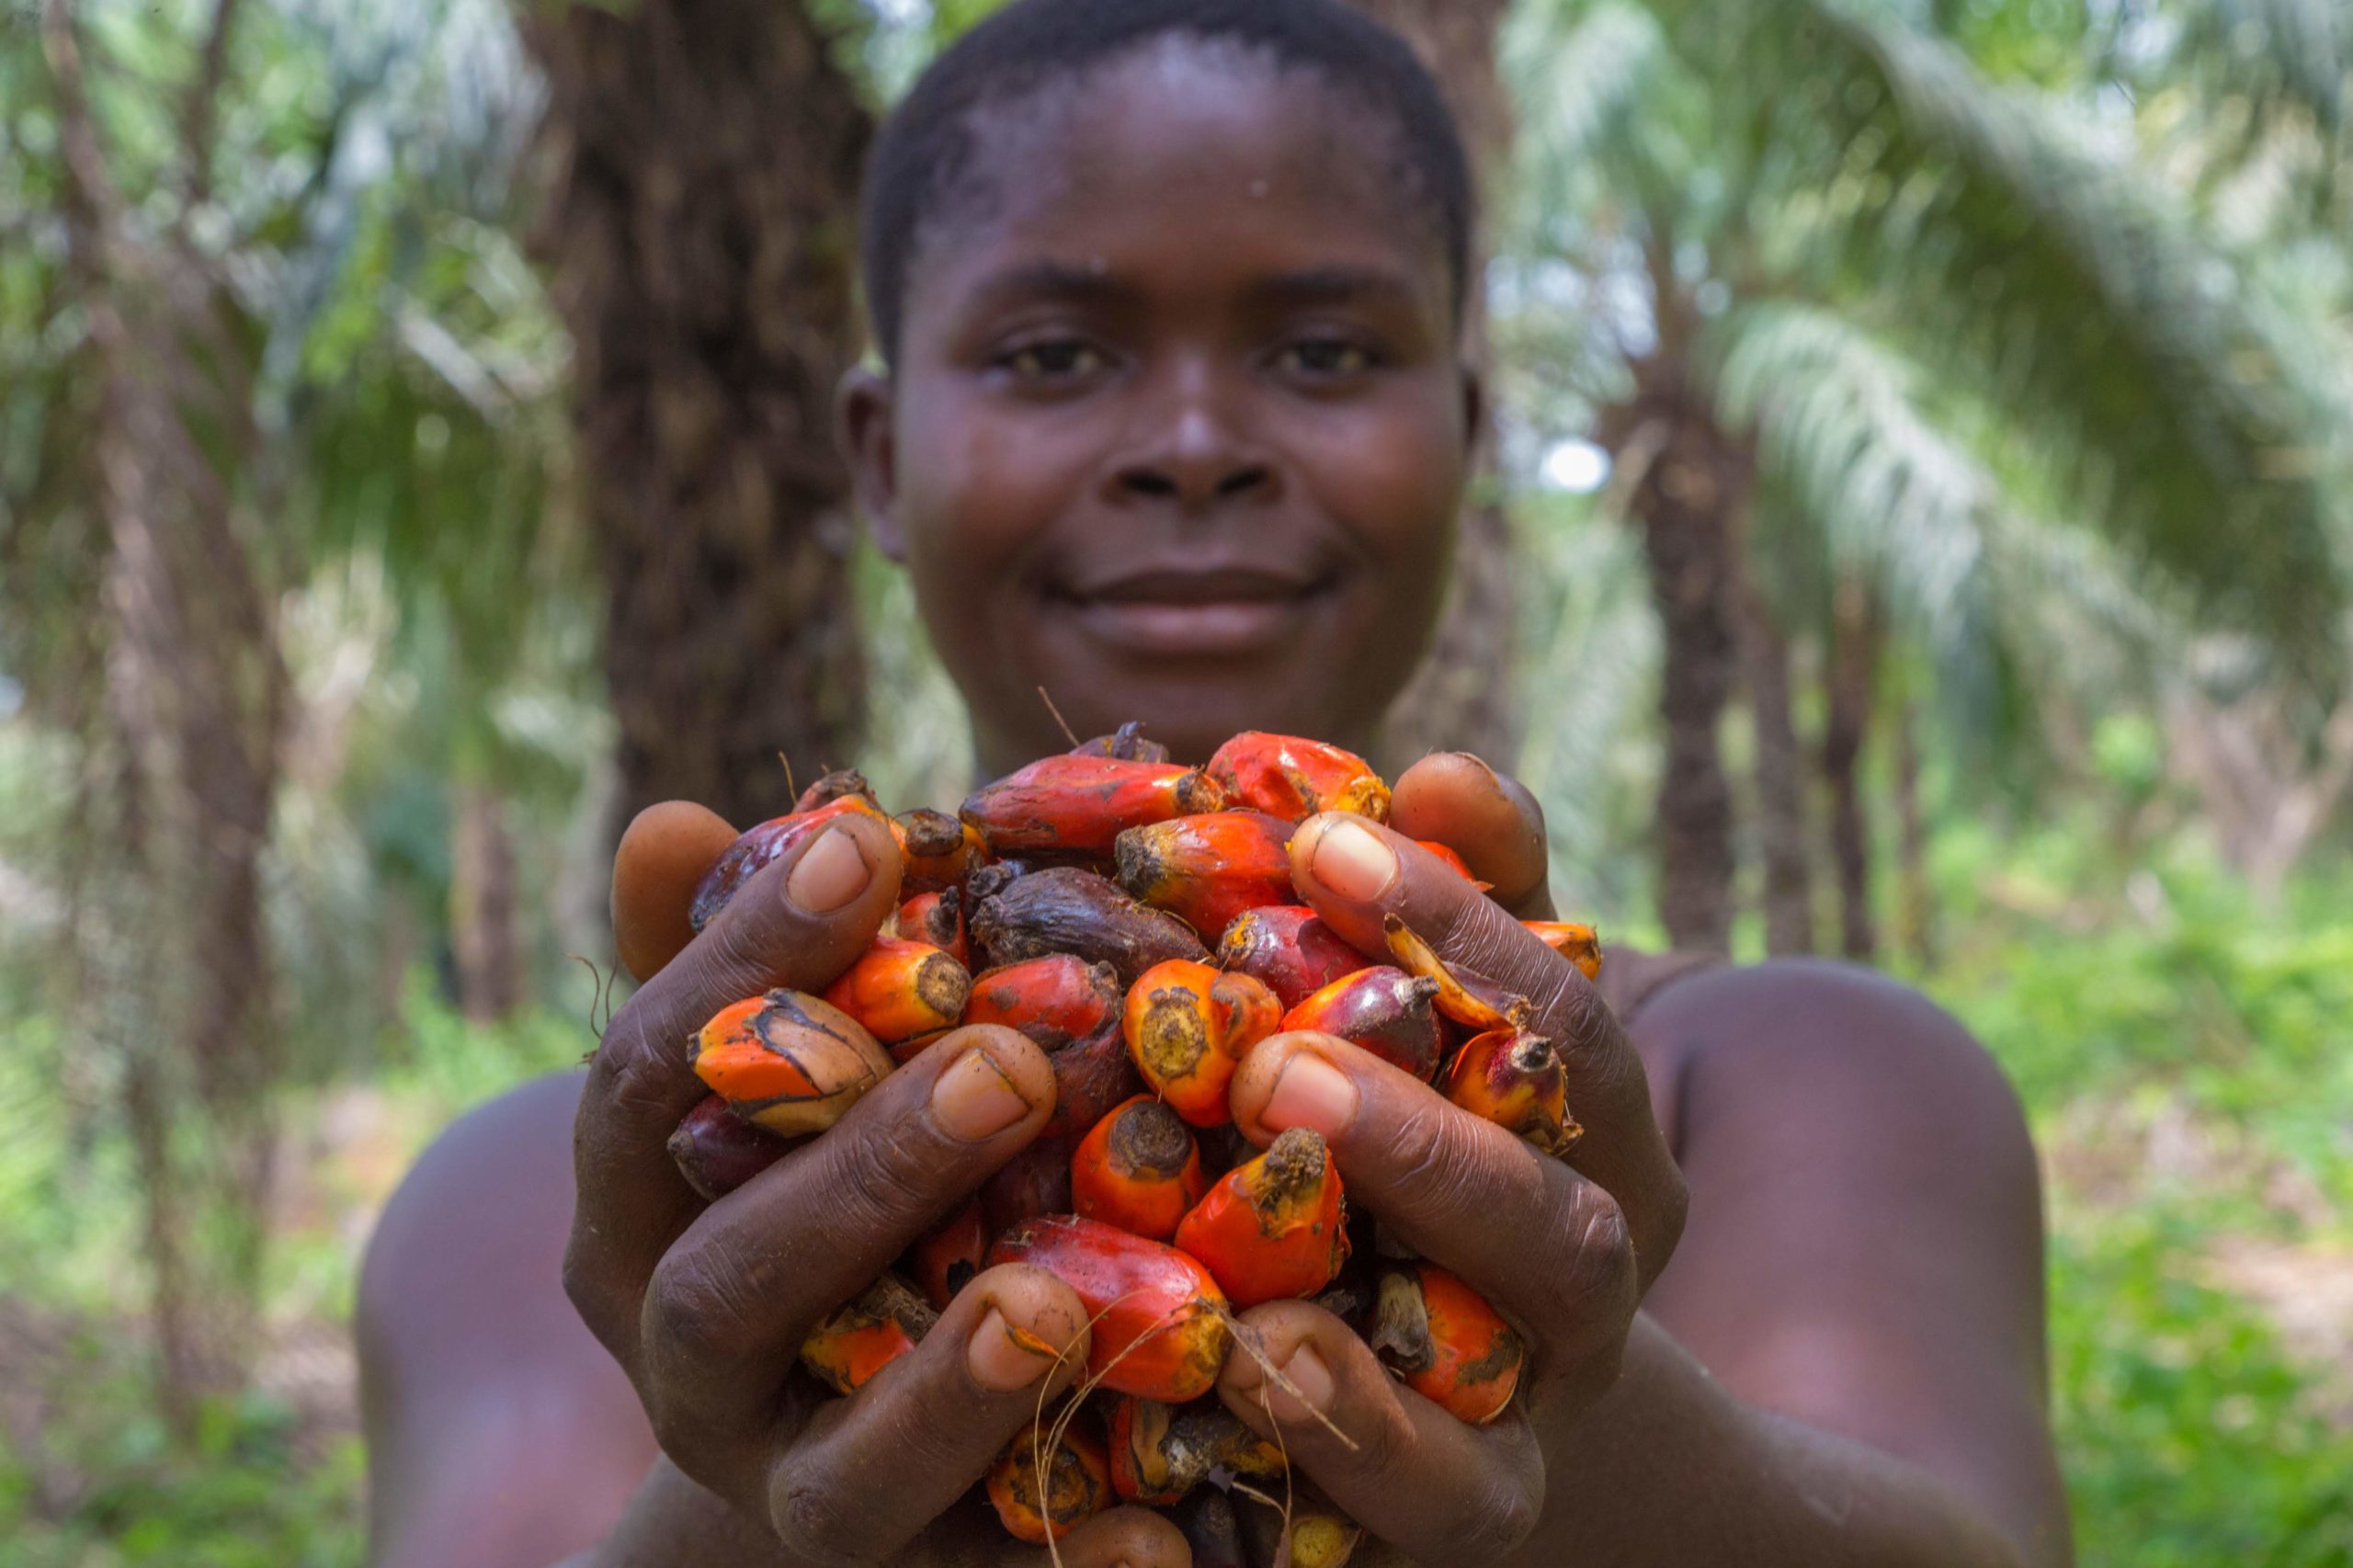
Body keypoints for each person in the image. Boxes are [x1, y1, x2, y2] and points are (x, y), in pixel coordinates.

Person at [357, 2, 2070, 1563]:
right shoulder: (528, 1202)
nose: (1195, 443)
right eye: (1053, 354)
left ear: (1469, 438)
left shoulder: (1803, 1077)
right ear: (882, 461)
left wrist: (1565, 1361)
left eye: (1322, 353)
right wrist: (756, 1477)